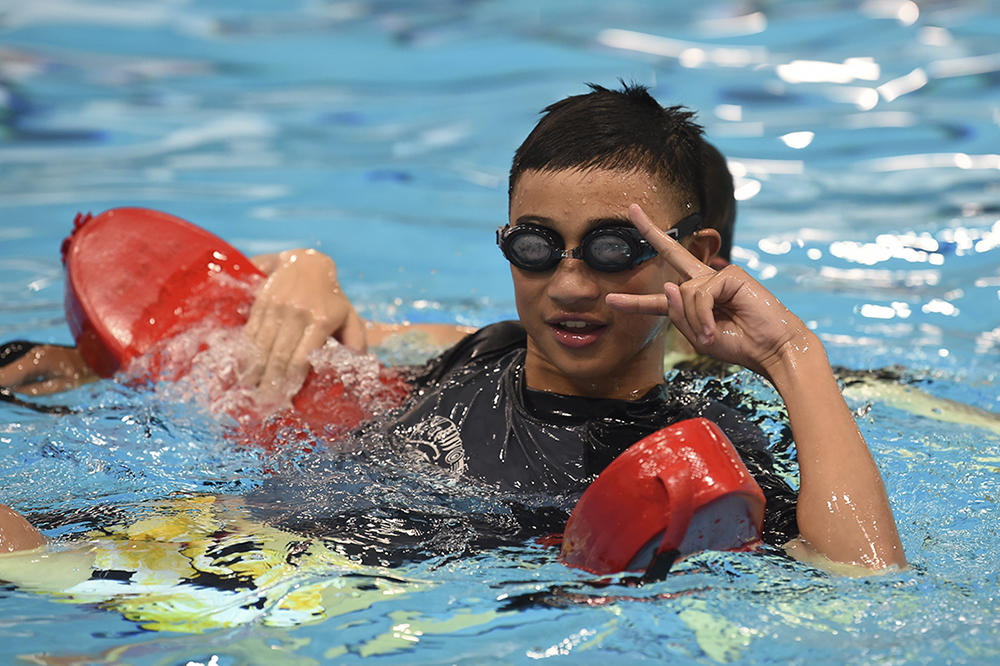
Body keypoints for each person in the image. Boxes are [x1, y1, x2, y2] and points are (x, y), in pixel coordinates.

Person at [1, 83, 906, 572]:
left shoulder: (699, 437)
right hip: (216, 525)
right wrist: (306, 270)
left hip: (327, 598)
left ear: (696, 255)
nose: (570, 285)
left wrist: (793, 354)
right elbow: (304, 334)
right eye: (537, 246)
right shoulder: (484, 348)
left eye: (614, 249)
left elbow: (863, 579)